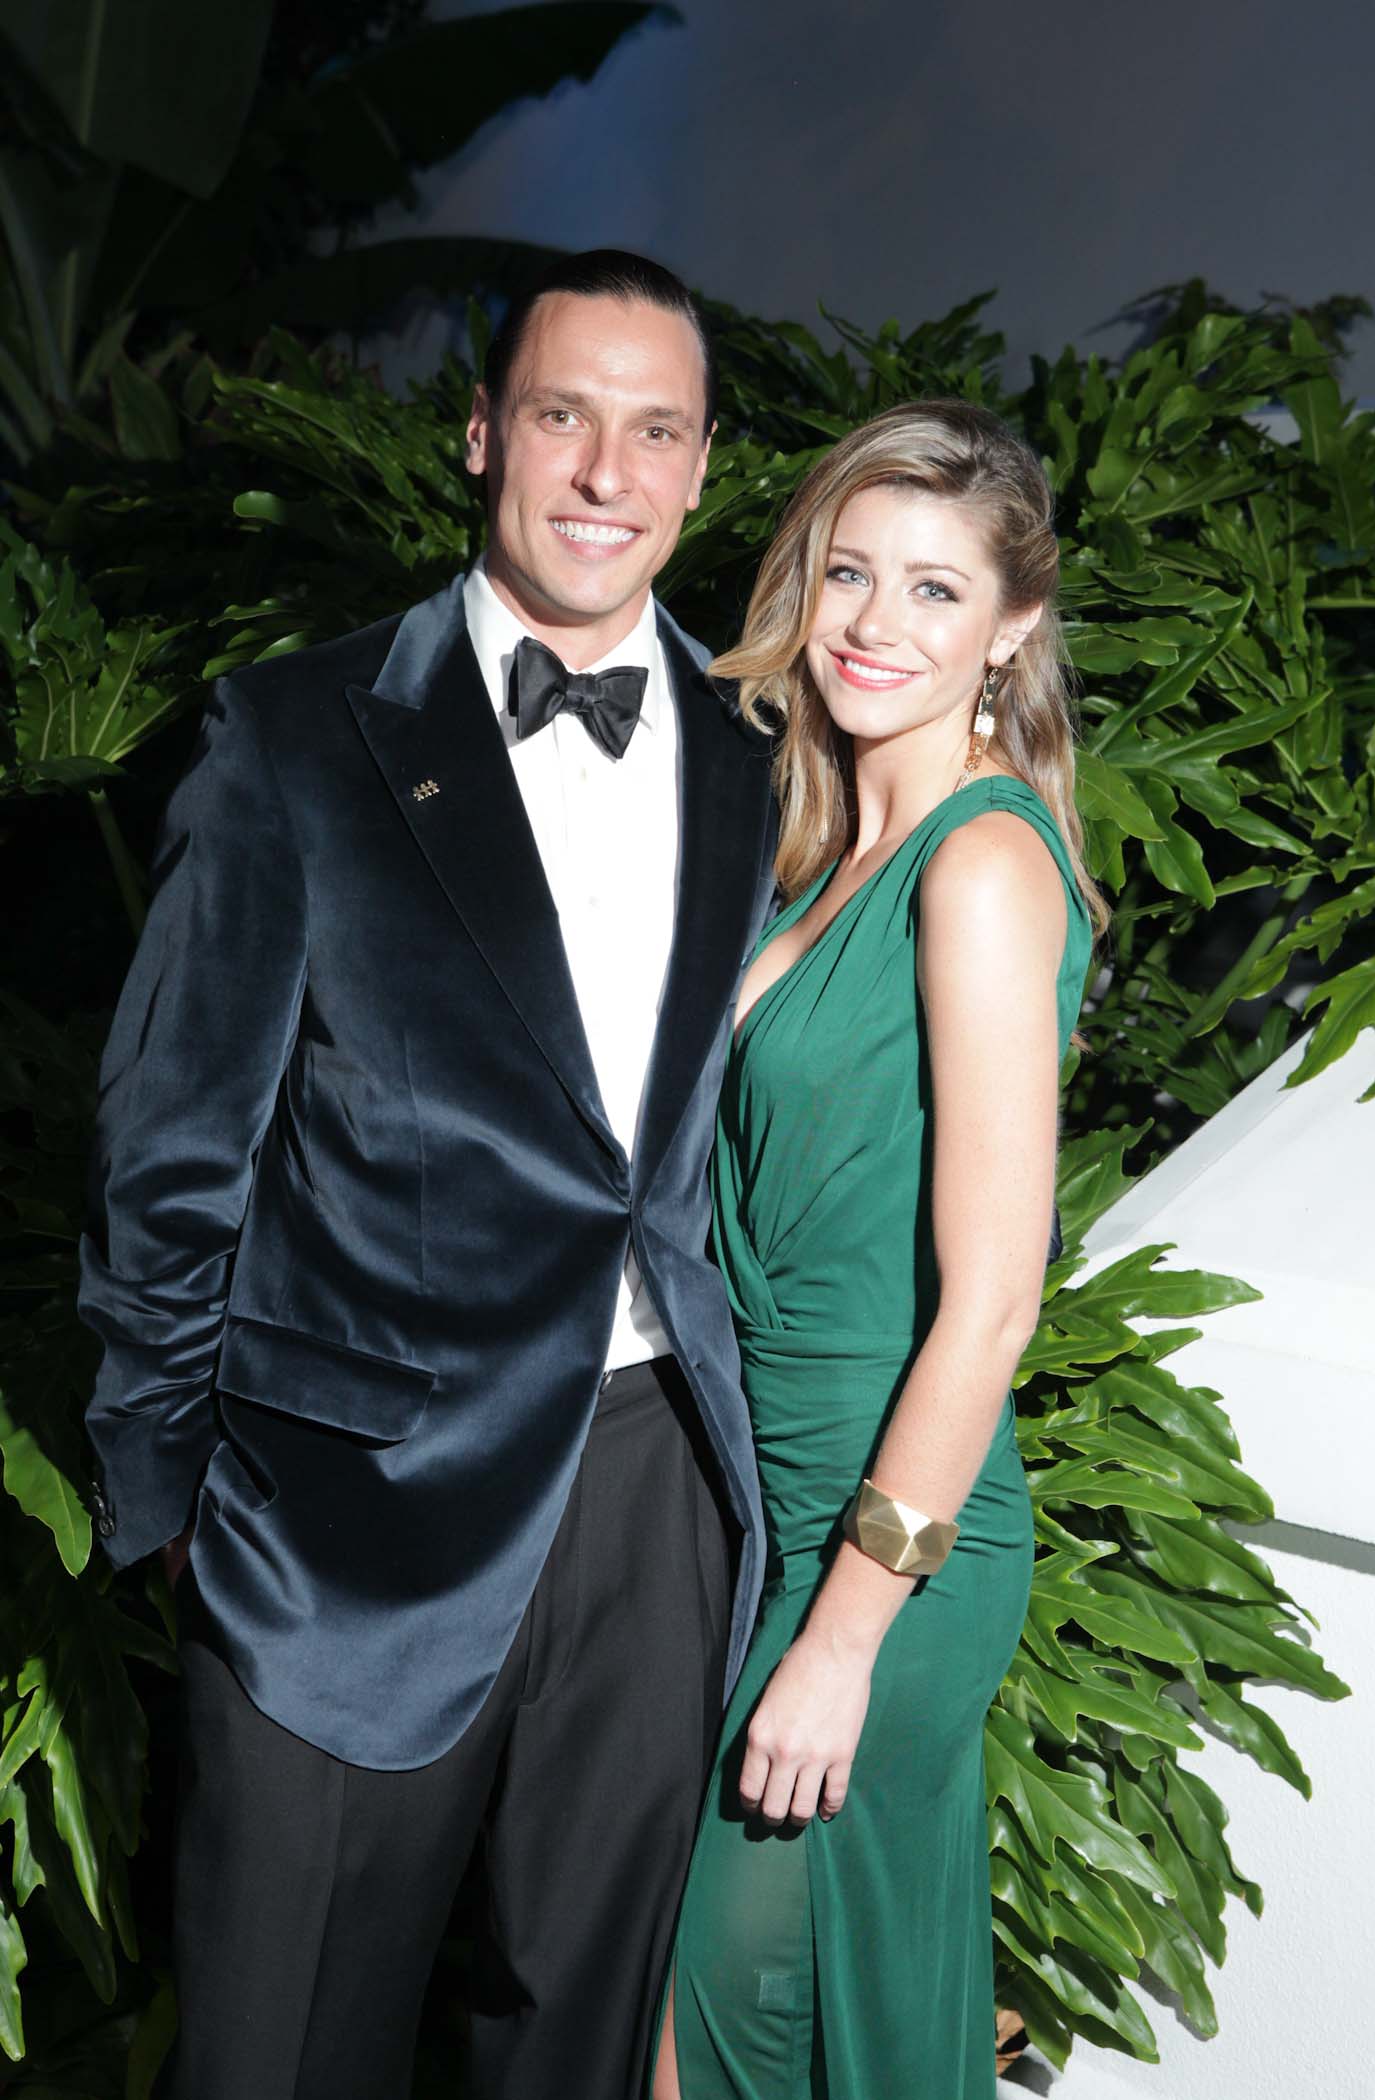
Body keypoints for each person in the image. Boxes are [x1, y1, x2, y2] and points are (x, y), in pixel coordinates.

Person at [78, 249, 779, 2100]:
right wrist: (173, 1501)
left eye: (656, 431)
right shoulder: (290, 736)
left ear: (704, 468)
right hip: (340, 1518)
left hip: (654, 1489)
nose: (608, 474)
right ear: (482, 434)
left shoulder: (762, 753)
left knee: (575, 2049)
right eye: (563, 417)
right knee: (281, 2050)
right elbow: (169, 1151)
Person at [654, 399, 1106, 2099]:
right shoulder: (818, 855)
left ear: (1013, 628)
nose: (873, 623)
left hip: (884, 1543)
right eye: (849, 572)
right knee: (723, 2033)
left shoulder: (977, 864)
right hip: (758, 1502)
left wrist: (842, 1641)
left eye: (935, 589)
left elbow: (992, 1306)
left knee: (714, 2044)